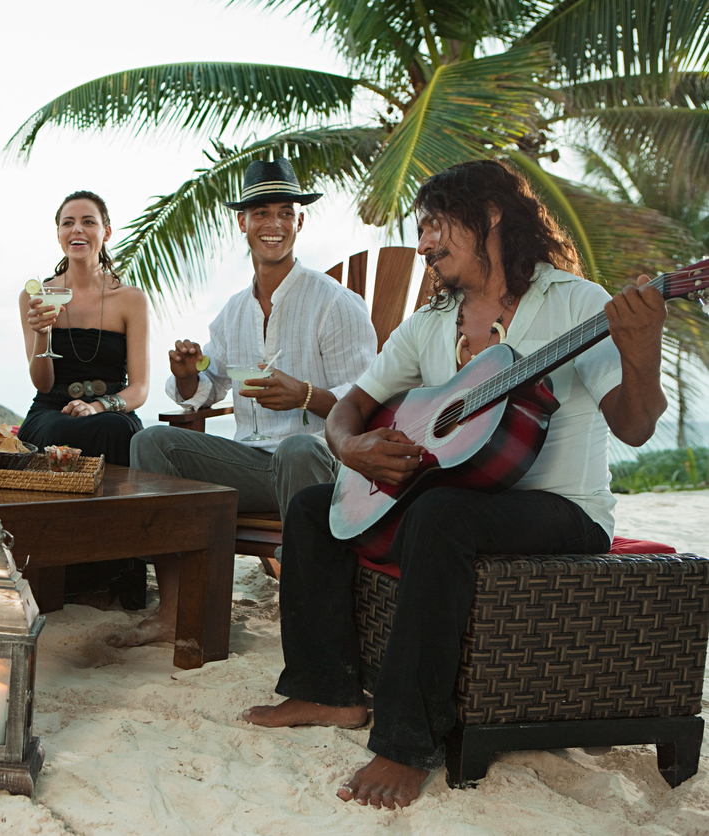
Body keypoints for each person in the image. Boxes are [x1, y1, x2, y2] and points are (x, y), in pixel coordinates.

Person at [243, 160, 668, 809]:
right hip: (459, 500)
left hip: (559, 509)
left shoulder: (576, 303)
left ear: (490, 218)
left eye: (436, 225)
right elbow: (349, 406)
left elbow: (635, 427)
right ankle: (325, 690)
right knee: (310, 507)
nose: (423, 243)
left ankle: (406, 742)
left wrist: (643, 349)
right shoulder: (432, 322)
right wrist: (354, 448)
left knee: (438, 513)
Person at [109, 158, 376, 646]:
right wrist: (187, 376)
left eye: (284, 213)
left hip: (319, 463)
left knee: (296, 448)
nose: (272, 224)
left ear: (300, 221)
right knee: (152, 443)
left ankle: (311, 626)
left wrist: (308, 396)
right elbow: (206, 390)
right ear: (243, 223)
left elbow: (367, 401)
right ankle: (172, 609)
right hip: (253, 465)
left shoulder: (335, 303)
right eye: (260, 213)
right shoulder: (233, 312)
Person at [17, 190, 150, 608]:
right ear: (58, 235)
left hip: (111, 409)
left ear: (106, 232)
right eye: (68, 222)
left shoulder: (131, 299)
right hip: (51, 408)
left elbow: (140, 388)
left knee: (115, 432)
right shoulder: (35, 295)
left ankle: (111, 575)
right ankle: (60, 574)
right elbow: (42, 383)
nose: (78, 230)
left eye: (88, 221)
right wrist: (42, 332)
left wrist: (99, 405)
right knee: (57, 431)